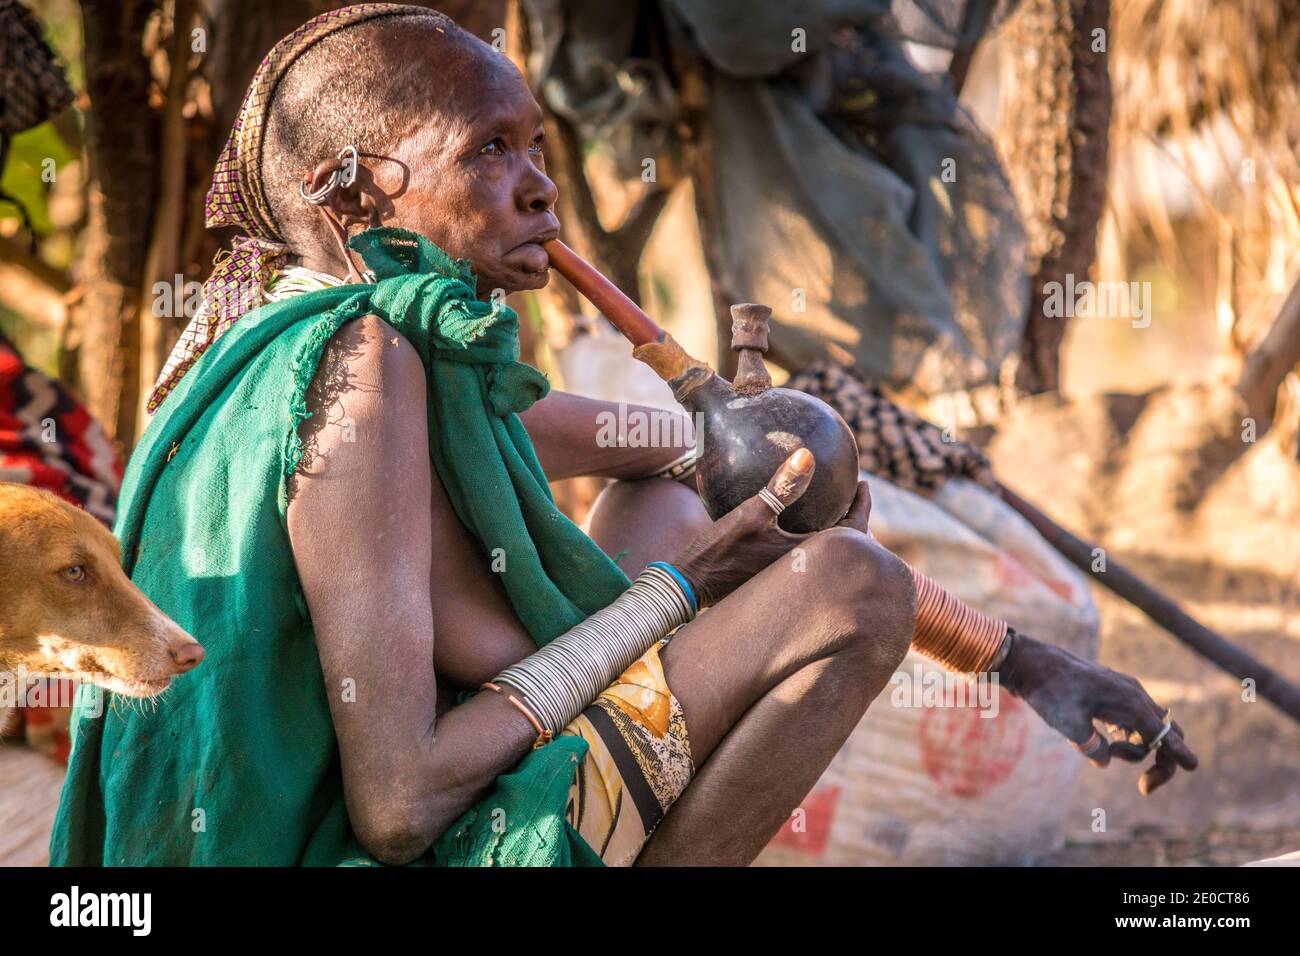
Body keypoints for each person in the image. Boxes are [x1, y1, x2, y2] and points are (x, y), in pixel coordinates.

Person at [51, 5, 1194, 868]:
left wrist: (1018, 656)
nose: (542, 189)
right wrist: (672, 593)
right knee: (848, 584)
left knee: (675, 491)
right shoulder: (362, 366)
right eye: (486, 151)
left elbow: (630, 442)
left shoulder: (330, 342)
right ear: (349, 194)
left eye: (534, 147)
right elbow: (398, 804)